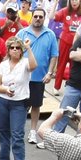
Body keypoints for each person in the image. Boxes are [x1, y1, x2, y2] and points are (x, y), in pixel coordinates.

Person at [0, 36, 36, 160]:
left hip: (19, 103)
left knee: (17, 135)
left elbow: (33, 66)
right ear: (8, 50)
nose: (15, 50)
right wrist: (5, 90)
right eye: (12, 48)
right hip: (3, 101)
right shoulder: (3, 64)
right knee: (3, 131)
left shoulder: (25, 63)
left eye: (18, 48)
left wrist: (29, 48)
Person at [17, 9, 59, 147]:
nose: (38, 19)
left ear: (44, 18)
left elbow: (54, 55)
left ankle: (33, 131)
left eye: (41, 17)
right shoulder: (22, 33)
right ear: (31, 18)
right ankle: (18, 130)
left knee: (36, 105)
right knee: (21, 105)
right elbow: (13, 52)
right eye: (35, 16)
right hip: (22, 77)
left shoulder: (50, 34)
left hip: (39, 78)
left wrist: (49, 73)